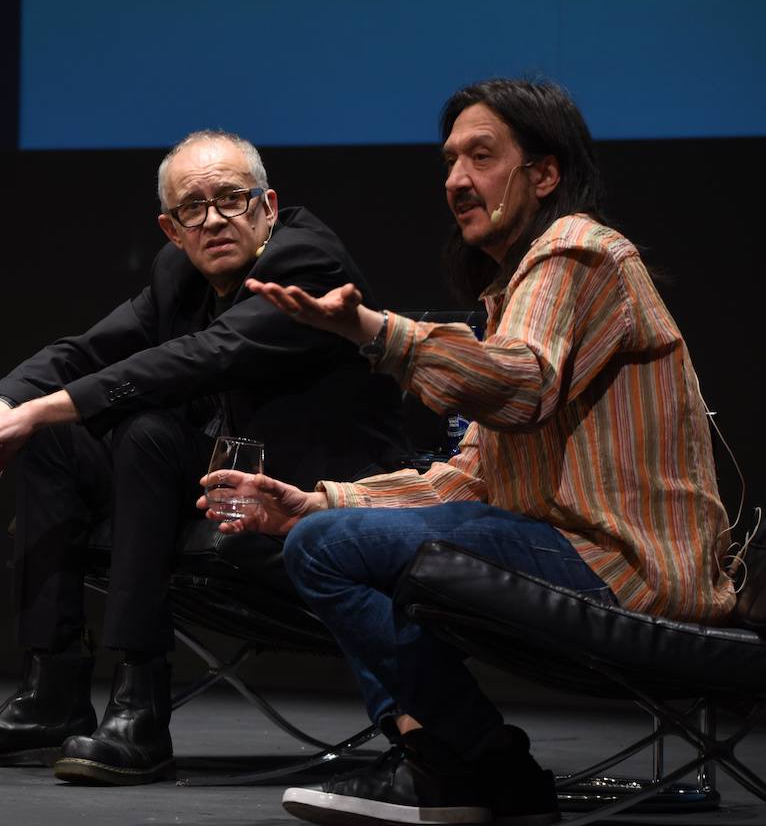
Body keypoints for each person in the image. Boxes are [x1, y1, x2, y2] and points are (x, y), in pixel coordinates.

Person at [199, 79, 736, 825]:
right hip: (568, 544)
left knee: (333, 550)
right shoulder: (515, 285)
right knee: (326, 539)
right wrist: (318, 501)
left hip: (623, 560)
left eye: (481, 156)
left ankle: (478, 764)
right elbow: (471, 473)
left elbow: (522, 384)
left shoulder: (576, 250)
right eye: (450, 160)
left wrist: (374, 332)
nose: (456, 179)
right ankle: (450, 762)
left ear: (543, 173)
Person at [0, 130, 409, 784]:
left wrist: (42, 406)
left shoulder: (308, 263)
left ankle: (139, 704)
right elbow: (88, 350)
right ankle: (50, 694)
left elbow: (200, 358)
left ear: (267, 203)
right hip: (220, 479)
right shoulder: (178, 273)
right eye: (192, 209)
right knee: (54, 438)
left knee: (144, 430)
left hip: (314, 496)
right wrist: (1, 408)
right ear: (171, 229)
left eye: (231, 198)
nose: (214, 219)